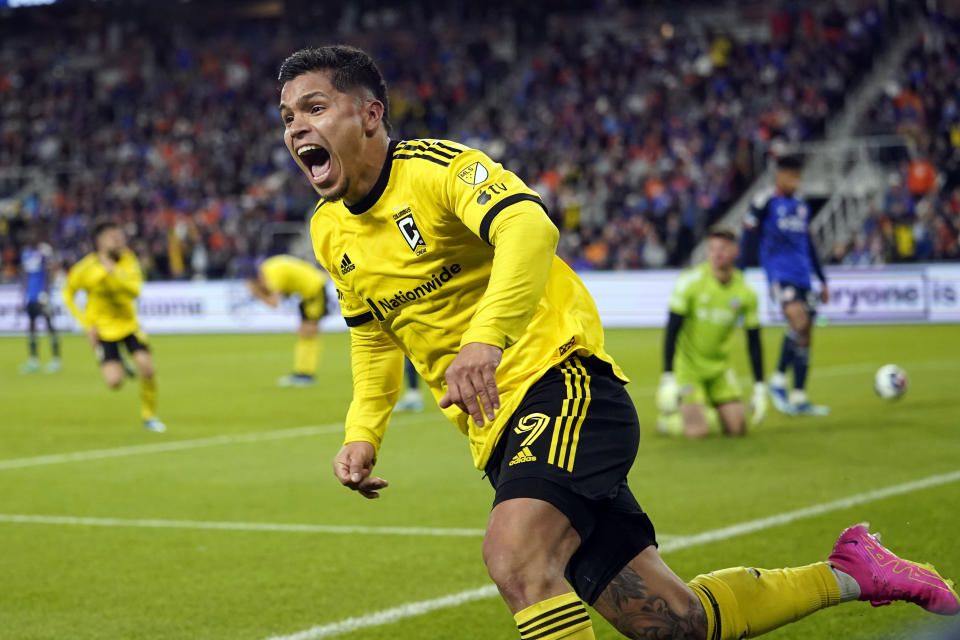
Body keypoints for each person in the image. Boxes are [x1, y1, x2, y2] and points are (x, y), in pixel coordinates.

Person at [279, 45, 959, 640]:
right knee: (674, 621)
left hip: (563, 385)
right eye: (286, 118)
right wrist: (363, 431)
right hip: (497, 435)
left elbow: (530, 229)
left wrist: (486, 338)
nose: (296, 127)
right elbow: (372, 339)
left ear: (369, 115)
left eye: (313, 106)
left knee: (516, 555)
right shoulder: (328, 230)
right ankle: (854, 571)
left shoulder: (434, 169)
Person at [739, 154, 829, 416]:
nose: (796, 181)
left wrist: (822, 279)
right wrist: (740, 272)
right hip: (779, 275)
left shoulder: (802, 205)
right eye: (792, 175)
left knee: (806, 333)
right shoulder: (764, 202)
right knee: (798, 322)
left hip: (803, 275)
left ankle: (799, 396)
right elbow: (748, 237)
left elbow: (809, 244)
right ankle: (778, 380)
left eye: (799, 176)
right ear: (779, 175)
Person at [656, 227, 766, 438]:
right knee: (698, 433)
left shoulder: (746, 292)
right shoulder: (690, 282)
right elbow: (672, 330)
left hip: (719, 368)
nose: (716, 254)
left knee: (738, 428)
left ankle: (704, 411)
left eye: (723, 249)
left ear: (736, 251)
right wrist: (668, 376)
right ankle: (668, 419)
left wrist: (760, 387)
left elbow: (754, 341)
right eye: (712, 249)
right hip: (688, 368)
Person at [63, 221, 165, 433]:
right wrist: (86, 324)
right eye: (113, 237)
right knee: (114, 383)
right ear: (101, 242)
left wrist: (114, 274)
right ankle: (121, 363)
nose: (119, 240)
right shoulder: (86, 268)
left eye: (120, 236)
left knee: (147, 368)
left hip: (129, 326)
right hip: (103, 331)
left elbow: (135, 290)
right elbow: (68, 294)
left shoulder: (128, 261)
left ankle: (149, 416)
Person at [247, 254, 328, 387]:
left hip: (314, 290)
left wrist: (257, 294)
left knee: (309, 333)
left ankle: (306, 374)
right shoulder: (270, 267)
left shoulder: (272, 274)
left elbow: (273, 303)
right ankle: (302, 372)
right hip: (309, 291)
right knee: (305, 333)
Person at [18, 228, 61, 374]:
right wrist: (23, 294)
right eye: (29, 235)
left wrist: (46, 292)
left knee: (50, 325)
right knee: (31, 328)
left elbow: (49, 272)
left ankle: (56, 360)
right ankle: (33, 361)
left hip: (42, 296)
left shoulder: (43, 253)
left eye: (33, 234)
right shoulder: (25, 254)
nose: (31, 236)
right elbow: (24, 275)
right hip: (30, 296)